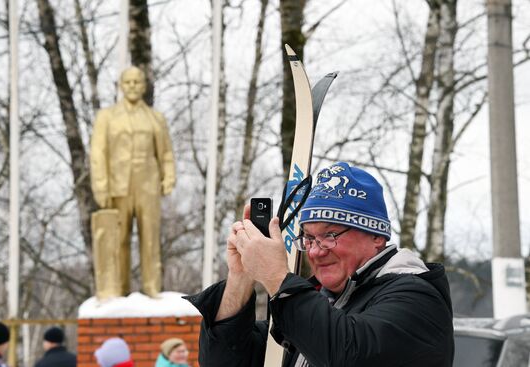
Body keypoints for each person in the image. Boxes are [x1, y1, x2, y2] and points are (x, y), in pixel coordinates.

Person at [186, 162, 454, 366]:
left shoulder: (417, 298)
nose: (315, 252)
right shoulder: (315, 306)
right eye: (309, 238)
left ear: (376, 236)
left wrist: (277, 278)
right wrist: (241, 277)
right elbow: (224, 360)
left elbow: (348, 354)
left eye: (330, 235)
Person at [90, 66, 176, 298]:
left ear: (144, 86)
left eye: (137, 82)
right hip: (117, 186)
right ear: (120, 85)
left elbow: (166, 152)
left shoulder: (155, 118)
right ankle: (118, 289)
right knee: (118, 241)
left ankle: (152, 288)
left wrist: (168, 176)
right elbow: (98, 152)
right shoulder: (107, 117)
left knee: (150, 239)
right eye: (128, 82)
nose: (132, 86)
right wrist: (101, 185)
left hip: (148, 185)